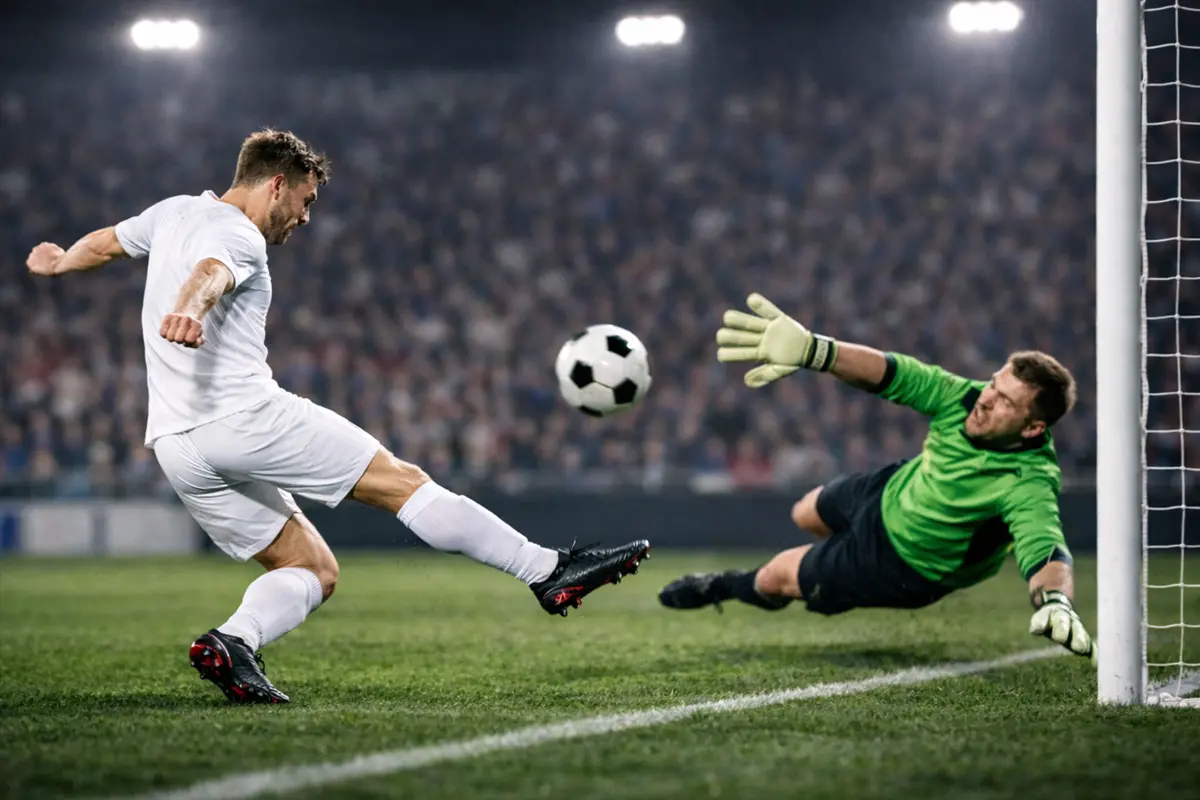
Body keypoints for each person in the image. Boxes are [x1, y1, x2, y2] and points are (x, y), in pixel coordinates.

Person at [25, 129, 650, 704]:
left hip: (175, 445)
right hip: (244, 417)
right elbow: (210, 273)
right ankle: (547, 571)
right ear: (276, 183)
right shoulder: (238, 235)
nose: (304, 216)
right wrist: (190, 306)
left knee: (313, 570)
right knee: (402, 483)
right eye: (305, 200)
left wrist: (58, 262)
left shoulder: (171, 212)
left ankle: (232, 642)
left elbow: (105, 244)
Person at [657, 293, 1095, 661]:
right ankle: (823, 572)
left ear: (1034, 428)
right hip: (890, 489)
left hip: (901, 564)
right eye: (993, 385)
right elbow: (893, 372)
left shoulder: (1027, 481)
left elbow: (1046, 549)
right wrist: (813, 349)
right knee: (804, 512)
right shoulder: (962, 397)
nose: (986, 399)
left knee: (776, 577)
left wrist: (1055, 600)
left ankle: (724, 586)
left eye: (1004, 403)